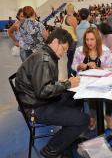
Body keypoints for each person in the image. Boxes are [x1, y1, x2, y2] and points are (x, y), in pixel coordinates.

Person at [15, 28, 90, 158]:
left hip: (37, 101)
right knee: (83, 119)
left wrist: (61, 83)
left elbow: (42, 83)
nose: (64, 53)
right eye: (64, 49)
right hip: (35, 108)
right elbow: (43, 91)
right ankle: (51, 149)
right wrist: (67, 84)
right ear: (55, 42)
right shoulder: (44, 59)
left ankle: (67, 139)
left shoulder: (45, 54)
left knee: (75, 98)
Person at [72, 27, 112, 130]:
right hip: (87, 82)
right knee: (90, 94)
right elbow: (73, 65)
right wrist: (79, 66)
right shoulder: (79, 50)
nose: (89, 42)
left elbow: (111, 70)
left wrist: (98, 68)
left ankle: (108, 116)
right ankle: (93, 117)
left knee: (111, 92)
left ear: (97, 39)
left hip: (103, 81)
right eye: (87, 40)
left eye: (92, 39)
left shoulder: (105, 51)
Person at [62, 3, 78, 77]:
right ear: (73, 9)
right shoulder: (73, 18)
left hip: (67, 41)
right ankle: (71, 76)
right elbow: (76, 31)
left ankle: (70, 76)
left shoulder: (64, 17)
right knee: (73, 61)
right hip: (73, 41)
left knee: (69, 60)